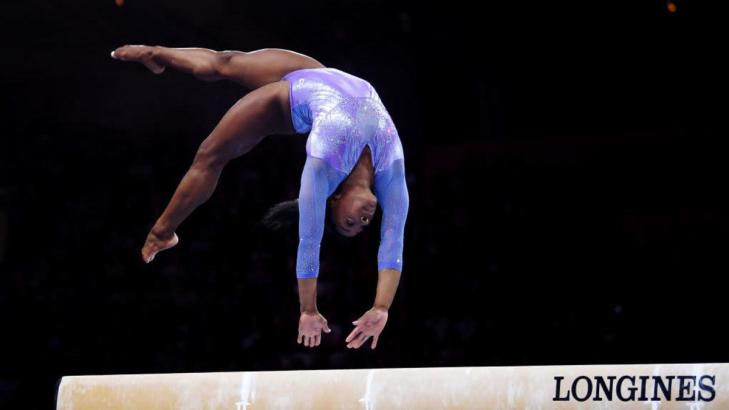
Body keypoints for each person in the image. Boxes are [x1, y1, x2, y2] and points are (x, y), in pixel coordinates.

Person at [111, 45, 409, 350]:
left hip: (287, 101)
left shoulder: (324, 165)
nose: (363, 220)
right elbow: (392, 238)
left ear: (332, 200)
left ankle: (162, 232)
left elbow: (310, 240)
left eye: (350, 223)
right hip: (318, 75)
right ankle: (157, 54)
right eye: (362, 223)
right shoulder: (391, 167)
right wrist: (381, 306)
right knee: (223, 61)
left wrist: (309, 309)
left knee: (209, 155)